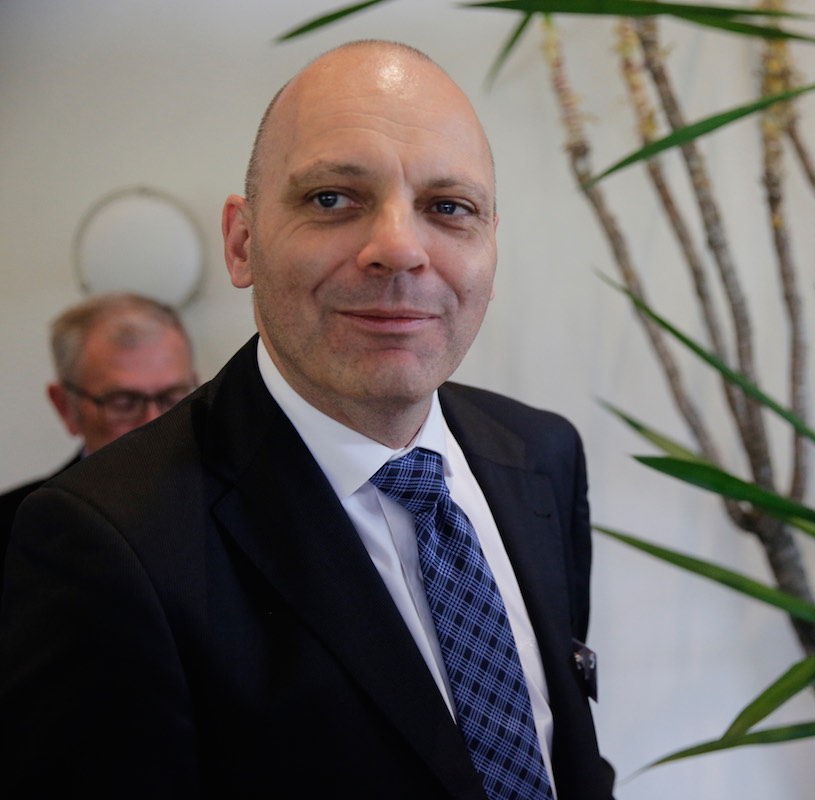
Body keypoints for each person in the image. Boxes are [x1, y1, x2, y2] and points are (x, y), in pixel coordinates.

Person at [0, 40, 614, 798]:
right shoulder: (108, 542)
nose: (399, 249)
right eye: (332, 199)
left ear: (491, 245)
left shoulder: (542, 456)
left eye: (448, 208)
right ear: (242, 242)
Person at [0, 292, 196, 596]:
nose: (155, 423)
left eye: (173, 398)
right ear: (65, 407)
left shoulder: (244, 507)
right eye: (124, 402)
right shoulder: (13, 528)